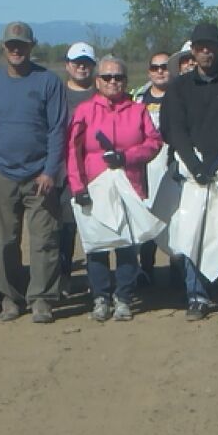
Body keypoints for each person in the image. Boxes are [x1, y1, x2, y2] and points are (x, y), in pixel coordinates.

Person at [0, 21, 67, 324]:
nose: (16, 50)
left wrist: (50, 171)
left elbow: (58, 130)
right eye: (11, 45)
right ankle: (10, 297)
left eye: (22, 45)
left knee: (43, 240)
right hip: (2, 174)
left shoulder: (48, 81)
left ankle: (42, 298)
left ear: (31, 46)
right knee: (5, 240)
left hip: (40, 176)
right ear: (3, 47)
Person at [160, 22, 218, 322]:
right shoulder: (179, 87)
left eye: (211, 47)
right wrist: (193, 163)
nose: (205, 52)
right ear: (193, 51)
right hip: (192, 173)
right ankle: (197, 295)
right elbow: (173, 128)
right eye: (200, 47)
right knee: (193, 233)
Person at [67, 56, 163, 322]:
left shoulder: (137, 110)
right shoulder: (85, 111)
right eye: (107, 77)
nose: (112, 82)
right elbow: (72, 150)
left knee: (126, 244)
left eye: (118, 77)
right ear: (97, 81)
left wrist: (127, 157)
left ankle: (124, 297)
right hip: (94, 185)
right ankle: (100, 297)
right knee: (96, 245)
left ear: (126, 81)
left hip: (129, 184)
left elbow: (154, 143)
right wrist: (77, 186)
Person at [58, 42, 97, 292]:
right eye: (77, 62)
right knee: (65, 229)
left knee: (94, 229)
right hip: (64, 171)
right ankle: (63, 279)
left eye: (86, 63)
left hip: (95, 171)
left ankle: (98, 281)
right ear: (68, 66)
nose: (81, 67)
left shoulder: (101, 94)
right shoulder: (57, 95)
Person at [133, 51, 173, 283]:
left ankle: (177, 267)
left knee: (173, 214)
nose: (160, 71)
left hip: (173, 160)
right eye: (155, 67)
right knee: (147, 213)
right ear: (149, 71)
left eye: (165, 66)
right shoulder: (139, 98)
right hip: (146, 164)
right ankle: (145, 268)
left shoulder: (180, 95)